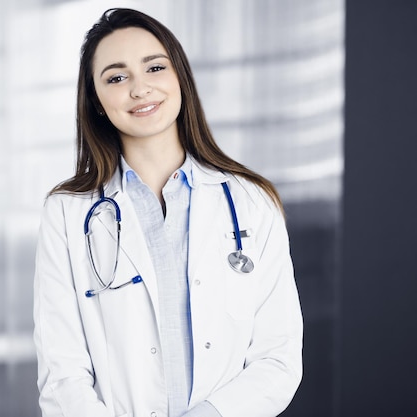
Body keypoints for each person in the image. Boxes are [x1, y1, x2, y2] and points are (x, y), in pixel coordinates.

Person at [33, 8, 302, 417]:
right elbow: (62, 374)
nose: (140, 89)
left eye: (154, 68)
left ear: (180, 78)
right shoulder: (67, 213)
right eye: (117, 77)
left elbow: (278, 359)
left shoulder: (251, 201)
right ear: (98, 102)